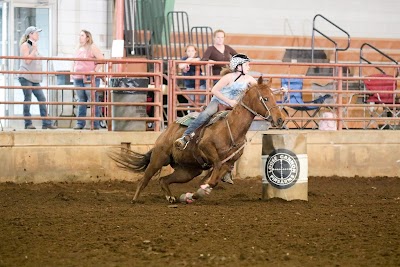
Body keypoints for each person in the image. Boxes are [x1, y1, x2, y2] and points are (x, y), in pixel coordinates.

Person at [18, 26, 57, 129]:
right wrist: (34, 50)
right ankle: (28, 123)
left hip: (34, 77)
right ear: (30, 34)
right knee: (28, 98)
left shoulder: (35, 46)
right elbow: (27, 60)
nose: (38, 35)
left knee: (42, 98)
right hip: (26, 76)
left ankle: (46, 123)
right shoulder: (25, 45)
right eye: (36, 33)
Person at [72, 29, 104, 130]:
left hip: (90, 77)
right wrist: (72, 72)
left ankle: (95, 124)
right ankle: (80, 123)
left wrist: (94, 70)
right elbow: (74, 61)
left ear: (87, 38)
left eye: (82, 35)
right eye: (79, 35)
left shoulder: (92, 47)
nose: (80, 38)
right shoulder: (78, 48)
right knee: (81, 100)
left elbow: (101, 60)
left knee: (92, 100)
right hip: (78, 77)